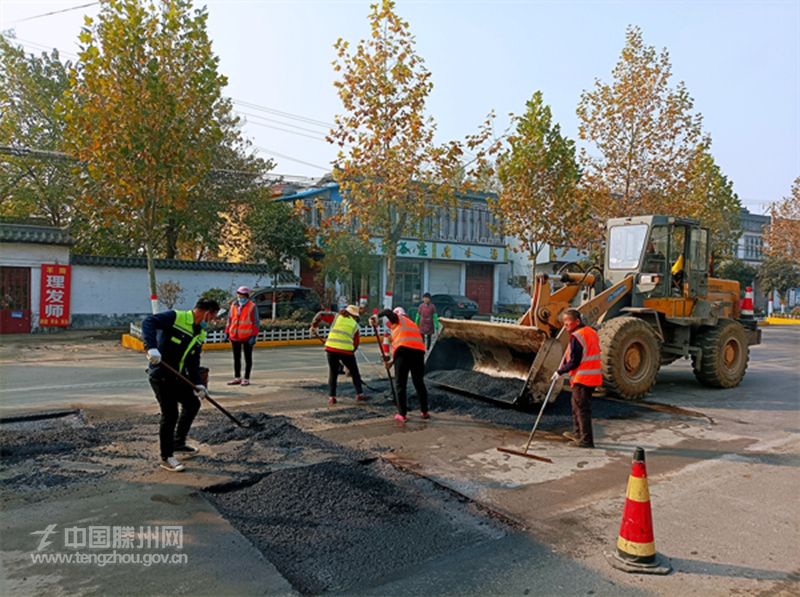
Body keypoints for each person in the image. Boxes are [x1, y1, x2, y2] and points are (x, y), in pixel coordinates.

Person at [142, 297, 220, 472]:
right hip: (160, 375)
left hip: (178, 376)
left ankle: (178, 442)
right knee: (170, 415)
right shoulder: (176, 317)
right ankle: (166, 457)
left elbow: (193, 362)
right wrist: (151, 347)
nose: (213, 321)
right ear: (207, 313)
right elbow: (148, 321)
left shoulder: (200, 332)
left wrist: (198, 384)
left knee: (192, 404)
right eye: (213, 316)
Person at [552, 308, 601, 449]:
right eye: (564, 321)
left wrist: (560, 371)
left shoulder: (577, 336)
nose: (565, 324)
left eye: (568, 320)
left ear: (577, 321)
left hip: (584, 378)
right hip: (591, 376)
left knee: (582, 409)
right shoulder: (590, 332)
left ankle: (586, 440)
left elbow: (575, 361)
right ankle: (578, 433)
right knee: (576, 406)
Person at [370, 307, 429, 423]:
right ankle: (424, 411)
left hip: (404, 353)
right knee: (419, 383)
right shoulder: (412, 324)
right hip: (419, 353)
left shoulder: (398, 318)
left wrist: (376, 317)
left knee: (401, 384)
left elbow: (387, 312)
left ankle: (402, 414)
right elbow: (409, 343)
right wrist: (392, 361)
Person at [310, 304, 368, 404]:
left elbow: (320, 315)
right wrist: (349, 356)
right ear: (354, 315)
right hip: (346, 352)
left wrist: (314, 326)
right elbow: (355, 343)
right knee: (354, 372)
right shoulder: (355, 325)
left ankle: (332, 397)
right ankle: (360, 394)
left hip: (331, 349)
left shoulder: (335, 317)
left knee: (333, 373)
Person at [224, 286, 260, 386]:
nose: (240, 297)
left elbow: (256, 323)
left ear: (246, 296)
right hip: (234, 336)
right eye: (239, 294)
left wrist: (253, 336)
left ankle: (246, 378)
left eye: (242, 295)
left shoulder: (252, 306)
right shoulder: (233, 305)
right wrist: (227, 332)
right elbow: (229, 320)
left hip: (247, 337)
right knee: (236, 358)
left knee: (248, 358)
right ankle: (237, 377)